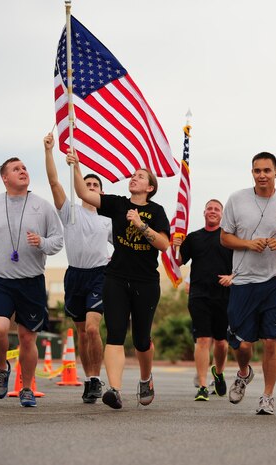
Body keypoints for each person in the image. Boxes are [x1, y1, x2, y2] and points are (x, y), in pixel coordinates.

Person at [66, 149, 170, 410]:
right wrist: (76, 166)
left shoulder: (157, 211)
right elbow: (84, 193)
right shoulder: (118, 204)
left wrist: (141, 225)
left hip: (145, 281)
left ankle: (146, 379)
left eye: (140, 176)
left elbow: (164, 244)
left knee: (141, 340)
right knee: (114, 334)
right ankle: (115, 389)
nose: (133, 178)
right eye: (133, 175)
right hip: (115, 278)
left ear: (150, 187)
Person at [0, 157, 63, 407]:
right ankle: (1, 368)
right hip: (1, 282)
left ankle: (27, 388)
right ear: (4, 178)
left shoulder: (43, 207)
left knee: (27, 339)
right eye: (16, 169)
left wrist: (41, 242)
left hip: (32, 282)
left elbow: (58, 241)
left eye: (24, 168)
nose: (23, 171)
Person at [220, 152, 276, 415]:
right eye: (257, 170)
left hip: (275, 281)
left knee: (271, 340)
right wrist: (248, 243)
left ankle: (267, 396)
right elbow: (224, 238)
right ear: (252, 173)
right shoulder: (236, 199)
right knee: (243, 344)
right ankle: (244, 373)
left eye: (267, 170)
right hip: (244, 281)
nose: (262, 175)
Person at [43, 133, 112, 403]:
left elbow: (123, 244)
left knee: (94, 329)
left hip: (99, 275)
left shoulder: (107, 219)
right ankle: (89, 379)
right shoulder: (70, 211)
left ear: (101, 192)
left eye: (96, 185)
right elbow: (53, 182)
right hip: (75, 276)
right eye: (88, 183)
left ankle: (96, 378)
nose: (92, 186)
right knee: (82, 332)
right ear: (81, 188)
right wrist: (50, 151)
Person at [173, 199, 233, 401]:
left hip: (224, 296)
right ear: (204, 212)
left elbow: (243, 264)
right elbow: (179, 261)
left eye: (217, 209)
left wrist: (232, 278)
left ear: (222, 214)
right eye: (210, 208)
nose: (213, 211)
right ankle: (202, 385)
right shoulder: (194, 237)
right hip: (199, 295)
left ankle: (219, 373)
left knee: (222, 343)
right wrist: (175, 247)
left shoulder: (228, 238)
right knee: (203, 340)